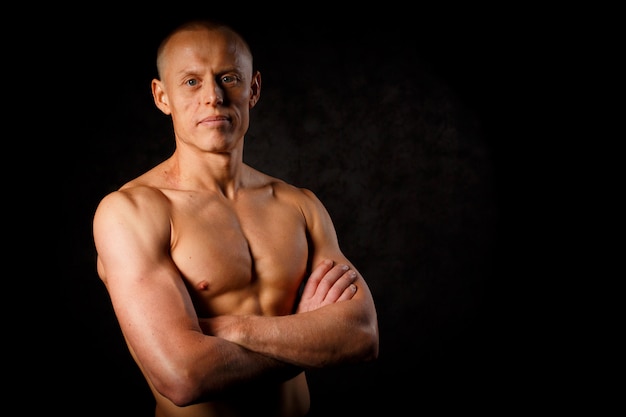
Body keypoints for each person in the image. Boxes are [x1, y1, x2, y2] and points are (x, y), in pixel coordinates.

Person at [92, 18, 379, 417]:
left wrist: (232, 328)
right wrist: (313, 337)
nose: (212, 96)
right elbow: (184, 378)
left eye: (228, 78)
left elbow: (362, 336)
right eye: (191, 81)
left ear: (253, 89)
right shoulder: (132, 212)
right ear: (162, 97)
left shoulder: (299, 204)